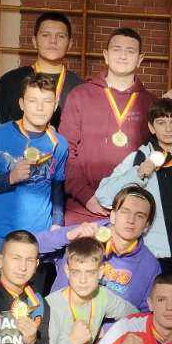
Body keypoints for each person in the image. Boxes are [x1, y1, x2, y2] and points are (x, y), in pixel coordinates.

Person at [0, 73, 69, 279]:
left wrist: (57, 224)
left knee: (34, 299)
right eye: (33, 101)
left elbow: (57, 187)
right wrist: (9, 178)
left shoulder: (59, 144)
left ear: (55, 105)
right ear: (22, 104)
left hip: (38, 243)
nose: (40, 108)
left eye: (47, 101)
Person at [95, 96, 172, 268]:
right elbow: (104, 196)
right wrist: (138, 174)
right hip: (152, 253)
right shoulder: (139, 157)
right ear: (151, 127)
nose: (168, 129)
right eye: (161, 123)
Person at [60, 27, 152, 224]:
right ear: (106, 55)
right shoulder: (80, 95)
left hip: (131, 214)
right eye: (116, 49)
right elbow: (66, 152)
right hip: (82, 210)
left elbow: (152, 159)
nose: (123, 56)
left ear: (140, 59)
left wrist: (131, 205)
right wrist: (86, 196)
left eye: (130, 51)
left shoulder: (151, 104)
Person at [41, 185, 162, 311]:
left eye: (140, 216)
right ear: (113, 216)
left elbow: (146, 313)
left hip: (114, 323)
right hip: (59, 317)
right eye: (125, 212)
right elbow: (33, 247)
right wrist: (67, 237)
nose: (131, 220)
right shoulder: (84, 234)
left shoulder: (150, 266)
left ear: (147, 225)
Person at [43, 237, 135, 344]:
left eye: (90, 273)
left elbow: (133, 314)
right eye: (76, 272)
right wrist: (72, 342)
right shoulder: (51, 307)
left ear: (101, 272)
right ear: (67, 271)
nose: (83, 280)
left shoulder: (103, 296)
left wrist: (108, 333)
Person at [0, 11, 81, 126]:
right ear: (34, 41)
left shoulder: (80, 88)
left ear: (70, 44)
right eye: (45, 35)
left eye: (61, 36)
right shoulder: (10, 81)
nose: (53, 41)